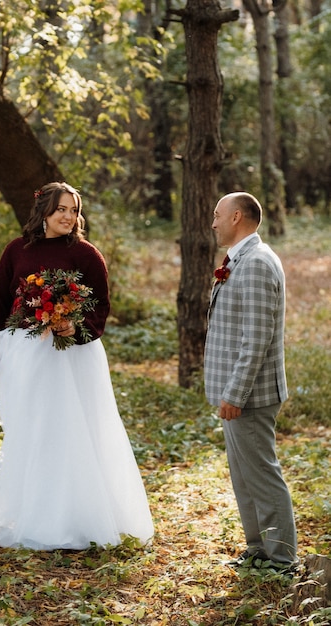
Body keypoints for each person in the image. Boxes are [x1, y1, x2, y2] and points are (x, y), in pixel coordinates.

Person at [0, 181, 154, 550]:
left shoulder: (87, 255)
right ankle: (34, 512)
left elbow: (100, 306)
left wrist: (76, 325)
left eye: (73, 210)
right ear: (43, 213)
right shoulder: (16, 251)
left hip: (73, 356)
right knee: (34, 429)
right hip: (25, 355)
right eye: (61, 210)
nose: (69, 217)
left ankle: (78, 517)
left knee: (75, 427)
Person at [204, 191, 298, 571]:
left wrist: (235, 393)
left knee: (261, 474)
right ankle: (258, 548)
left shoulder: (257, 262)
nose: (213, 222)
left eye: (217, 215)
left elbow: (256, 338)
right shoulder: (240, 259)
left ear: (236, 216)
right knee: (244, 476)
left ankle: (281, 557)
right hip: (237, 392)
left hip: (250, 395)